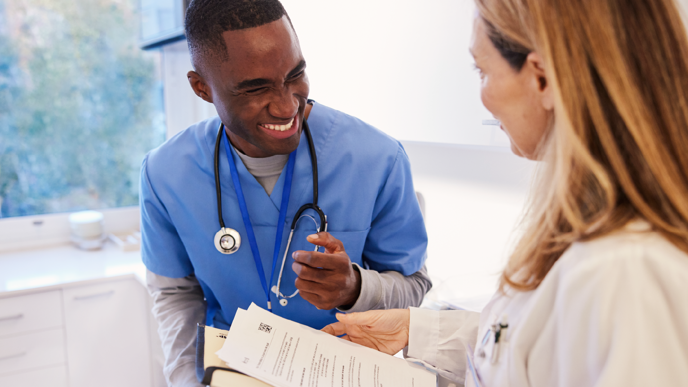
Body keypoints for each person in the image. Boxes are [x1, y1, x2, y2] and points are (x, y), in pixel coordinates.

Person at [323, 0, 688, 385]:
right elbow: (540, 348)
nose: (482, 96)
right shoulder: (596, 235)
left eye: (483, 71)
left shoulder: (628, 269)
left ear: (542, 79)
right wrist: (415, 330)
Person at [140, 1, 431, 386]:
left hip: (341, 372)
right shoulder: (165, 173)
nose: (287, 104)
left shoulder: (377, 158)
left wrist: (354, 288)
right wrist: (186, 379)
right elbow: (176, 294)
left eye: (296, 75)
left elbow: (414, 288)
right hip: (233, 372)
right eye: (255, 88)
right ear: (202, 88)